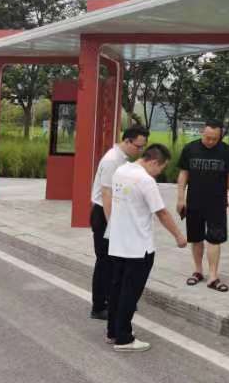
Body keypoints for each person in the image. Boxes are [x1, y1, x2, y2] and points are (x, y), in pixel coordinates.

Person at [105, 143, 187, 352]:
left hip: (117, 244)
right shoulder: (145, 180)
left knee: (117, 289)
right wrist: (179, 236)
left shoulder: (121, 171)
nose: (159, 173)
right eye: (161, 168)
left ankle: (113, 332)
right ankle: (124, 339)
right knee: (130, 293)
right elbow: (162, 212)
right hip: (139, 248)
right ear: (154, 162)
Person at [88, 124, 149, 320]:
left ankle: (114, 300)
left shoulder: (123, 159)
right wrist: (113, 226)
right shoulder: (112, 160)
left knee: (116, 262)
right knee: (105, 263)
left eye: (143, 147)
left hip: (114, 214)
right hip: (104, 215)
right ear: (128, 141)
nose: (140, 150)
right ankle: (99, 306)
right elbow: (106, 194)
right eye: (138, 146)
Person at [176, 120, 229, 292]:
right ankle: (198, 271)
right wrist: (180, 198)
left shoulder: (226, 151)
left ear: (220, 136)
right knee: (196, 238)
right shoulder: (190, 149)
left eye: (214, 139)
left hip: (217, 202)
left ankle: (213, 276)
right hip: (194, 201)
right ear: (202, 133)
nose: (210, 141)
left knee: (214, 238)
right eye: (208, 137)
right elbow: (183, 174)